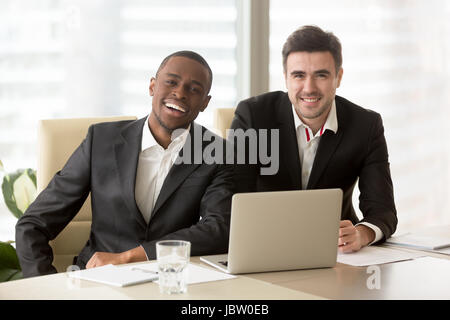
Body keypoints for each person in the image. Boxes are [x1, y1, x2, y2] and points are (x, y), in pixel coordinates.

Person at [16, 50, 234, 277]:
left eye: (194, 89)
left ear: (205, 103)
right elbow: (32, 225)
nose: (179, 93)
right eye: (171, 82)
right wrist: (46, 287)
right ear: (152, 86)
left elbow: (218, 230)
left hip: (173, 282)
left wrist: (130, 256)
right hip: (98, 281)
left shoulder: (219, 152)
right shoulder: (100, 141)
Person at [230, 25, 397, 253]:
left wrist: (362, 234)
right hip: (265, 246)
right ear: (286, 78)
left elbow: (383, 210)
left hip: (336, 252)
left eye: (321, 75)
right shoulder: (253, 116)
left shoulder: (365, 125)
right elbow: (232, 198)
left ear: (338, 77)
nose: (309, 88)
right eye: (298, 75)